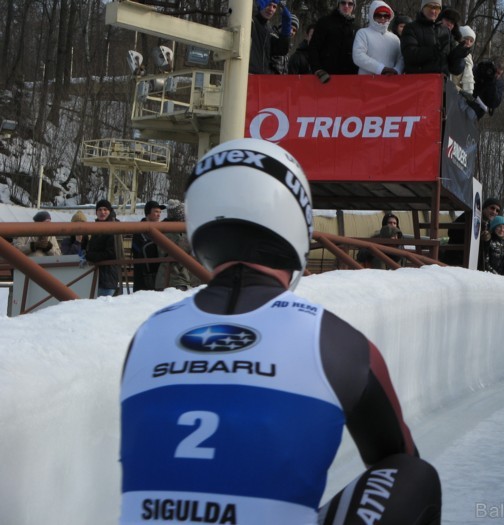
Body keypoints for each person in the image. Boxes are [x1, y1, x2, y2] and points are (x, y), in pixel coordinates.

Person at [120, 138, 441, 525]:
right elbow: (399, 456)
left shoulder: (146, 334)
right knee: (416, 476)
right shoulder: (333, 338)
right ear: (297, 221)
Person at [400, 0, 468, 76]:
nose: (433, 11)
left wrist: (458, 55)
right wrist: (434, 50)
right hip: (419, 81)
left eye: (437, 8)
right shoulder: (411, 28)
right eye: (429, 7)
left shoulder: (446, 31)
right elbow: (409, 55)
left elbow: (455, 70)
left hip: (441, 82)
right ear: (422, 8)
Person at [308, 0, 358, 83]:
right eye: (343, 3)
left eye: (350, 4)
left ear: (354, 6)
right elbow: (313, 47)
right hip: (326, 77)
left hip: (349, 78)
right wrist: (317, 69)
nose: (346, 6)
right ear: (338, 4)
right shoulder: (324, 22)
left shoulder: (357, 28)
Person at [154, 200, 199, 291]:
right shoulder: (171, 233)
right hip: (174, 279)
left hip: (176, 278)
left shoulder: (169, 230)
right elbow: (181, 250)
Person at [443, 197, 502, 266]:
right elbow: (451, 231)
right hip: (456, 260)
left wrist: (487, 240)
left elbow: (484, 249)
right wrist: (476, 236)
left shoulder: (487, 224)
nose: (494, 212)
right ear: (484, 208)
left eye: (497, 211)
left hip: (472, 263)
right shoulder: (471, 215)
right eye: (492, 208)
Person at [352, 1, 404, 76]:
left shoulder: (395, 38)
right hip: (367, 81)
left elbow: (401, 58)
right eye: (378, 15)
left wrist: (397, 70)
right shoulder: (363, 33)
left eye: (386, 16)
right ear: (372, 16)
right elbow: (358, 56)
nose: (383, 18)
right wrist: (380, 69)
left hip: (390, 81)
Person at [85, 199, 122, 297]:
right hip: (98, 276)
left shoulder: (113, 228)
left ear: (109, 211)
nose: (102, 212)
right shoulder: (96, 228)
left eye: (105, 209)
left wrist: (91, 256)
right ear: (96, 212)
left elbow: (112, 253)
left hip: (107, 277)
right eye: (100, 210)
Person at [249, 0, 292, 74]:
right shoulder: (251, 22)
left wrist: (286, 28)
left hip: (262, 78)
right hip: (247, 75)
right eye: (268, 4)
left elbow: (281, 50)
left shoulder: (270, 30)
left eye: (274, 7)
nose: (271, 9)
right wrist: (257, 7)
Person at [131, 201, 165, 292]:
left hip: (157, 276)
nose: (159, 215)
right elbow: (141, 251)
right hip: (143, 277)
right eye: (156, 212)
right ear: (148, 213)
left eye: (159, 212)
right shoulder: (139, 230)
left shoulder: (161, 229)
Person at [454, 25, 476, 95]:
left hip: (460, 96)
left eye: (471, 41)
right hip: (450, 92)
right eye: (466, 38)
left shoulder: (469, 57)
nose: (468, 42)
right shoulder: (452, 51)